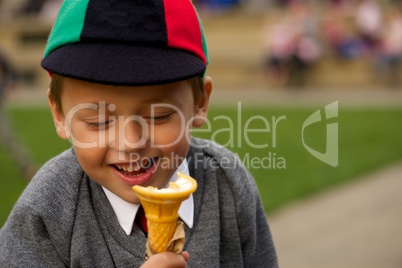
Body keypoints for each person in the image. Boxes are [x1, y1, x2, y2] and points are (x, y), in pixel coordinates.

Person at [0, 0, 278, 267]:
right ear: (60, 114)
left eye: (158, 116)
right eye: (98, 121)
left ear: (200, 104)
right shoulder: (47, 212)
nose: (131, 142)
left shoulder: (227, 183)